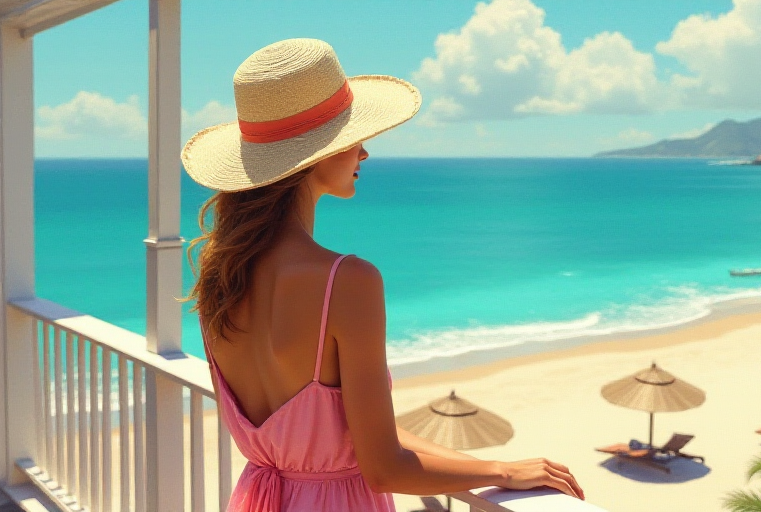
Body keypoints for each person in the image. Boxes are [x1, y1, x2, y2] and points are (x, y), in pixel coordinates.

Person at [180, 39, 584, 512]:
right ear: (314, 155)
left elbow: (353, 429)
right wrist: (505, 472)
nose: (365, 153)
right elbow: (383, 467)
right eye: (351, 138)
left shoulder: (219, 281)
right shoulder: (345, 280)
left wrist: (468, 462)